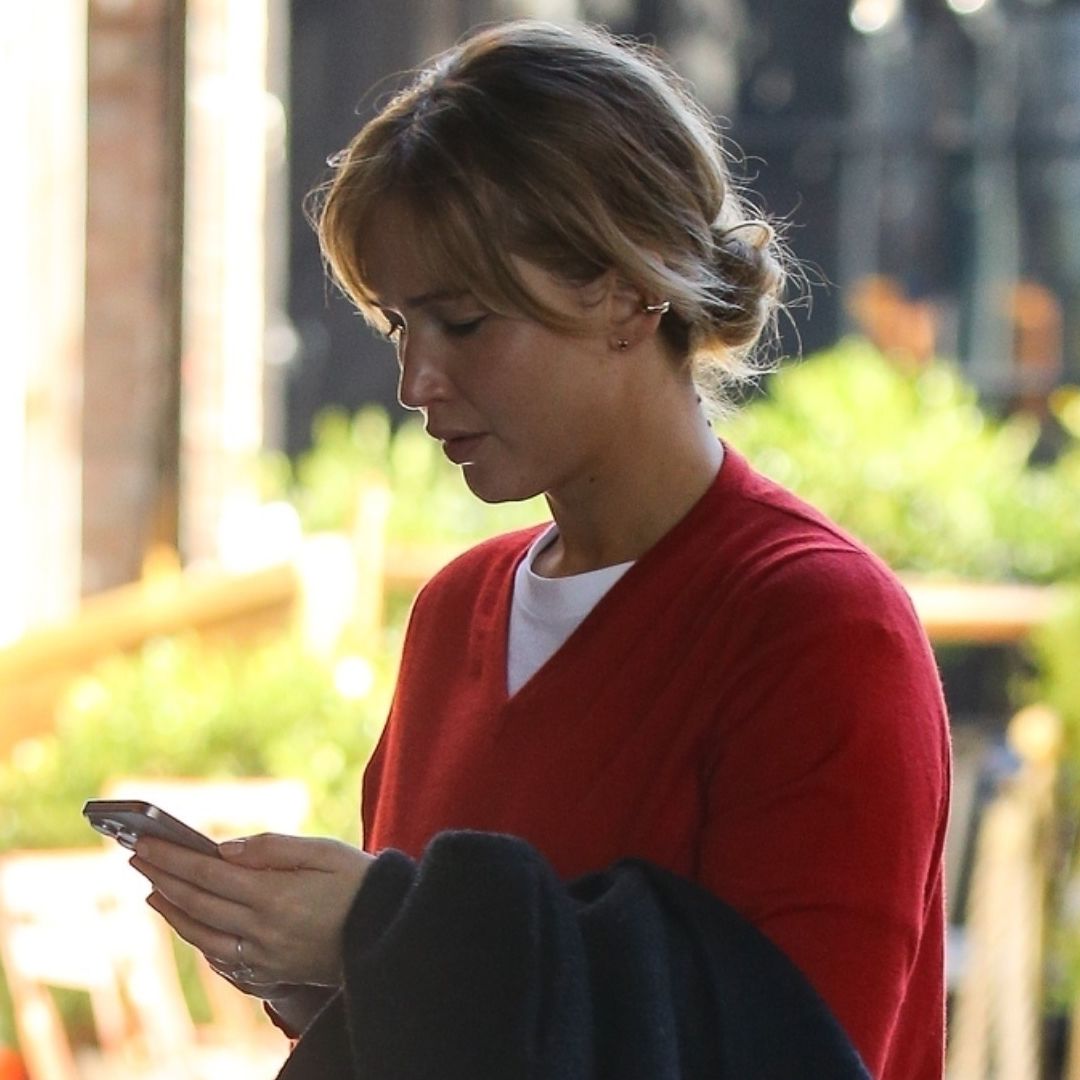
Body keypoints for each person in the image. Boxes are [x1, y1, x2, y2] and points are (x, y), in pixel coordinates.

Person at [129, 19, 950, 1079]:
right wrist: (328, 971)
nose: (414, 381)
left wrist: (385, 930)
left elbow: (788, 1046)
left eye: (462, 323)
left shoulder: (819, 628)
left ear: (621, 290)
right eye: (396, 327)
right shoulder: (454, 612)